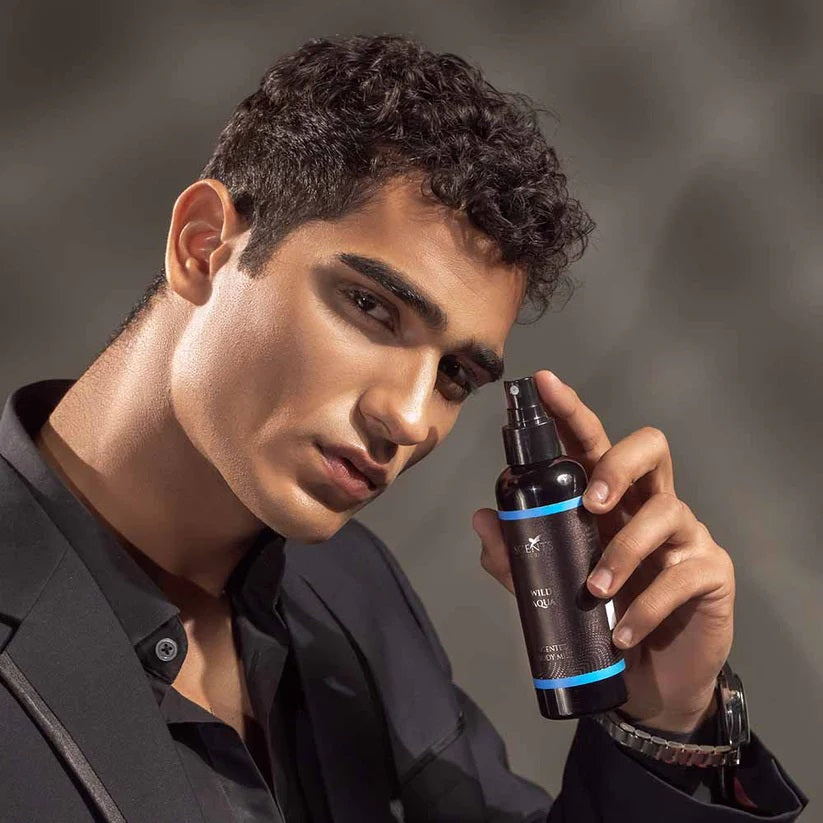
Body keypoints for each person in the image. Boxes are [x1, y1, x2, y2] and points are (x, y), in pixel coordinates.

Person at [0, 34, 808, 822]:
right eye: (370, 306)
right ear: (203, 245)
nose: (411, 417)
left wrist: (665, 723)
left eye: (454, 375)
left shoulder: (348, 586)